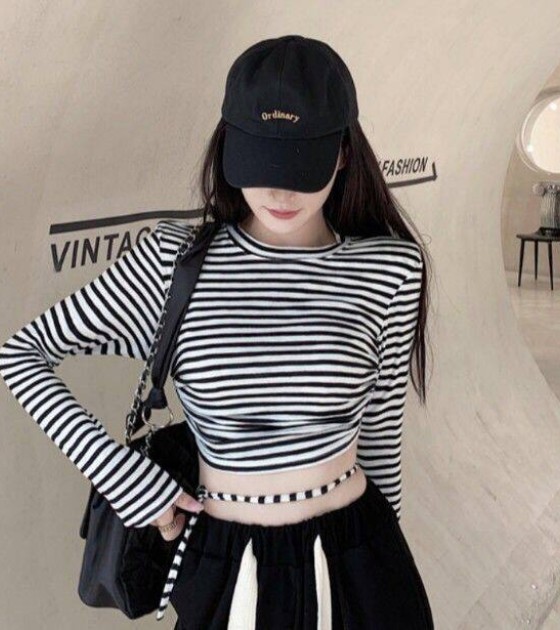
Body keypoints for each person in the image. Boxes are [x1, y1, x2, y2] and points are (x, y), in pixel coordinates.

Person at [0, 34, 434, 629]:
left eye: (299, 166)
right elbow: (21, 355)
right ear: (230, 145)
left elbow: (381, 440)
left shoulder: (388, 268)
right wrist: (125, 478)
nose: (279, 192)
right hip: (229, 565)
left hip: (360, 558)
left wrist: (385, 568)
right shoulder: (175, 261)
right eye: (262, 163)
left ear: (341, 154)